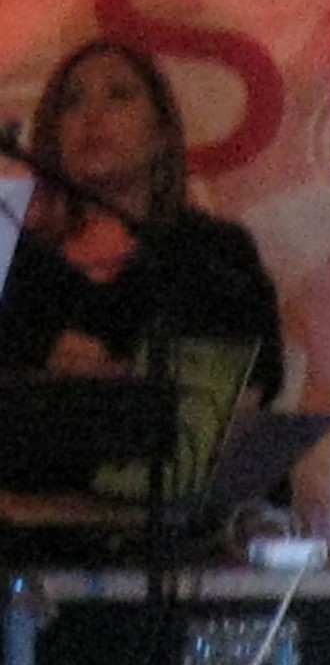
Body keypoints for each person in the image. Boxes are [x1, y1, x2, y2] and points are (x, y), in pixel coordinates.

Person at [0, 37, 284, 492]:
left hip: (173, 515)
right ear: (52, 139)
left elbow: (244, 392)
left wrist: (114, 390)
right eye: (72, 103)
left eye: (119, 95)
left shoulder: (211, 253)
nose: (92, 116)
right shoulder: (12, 254)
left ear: (160, 133)